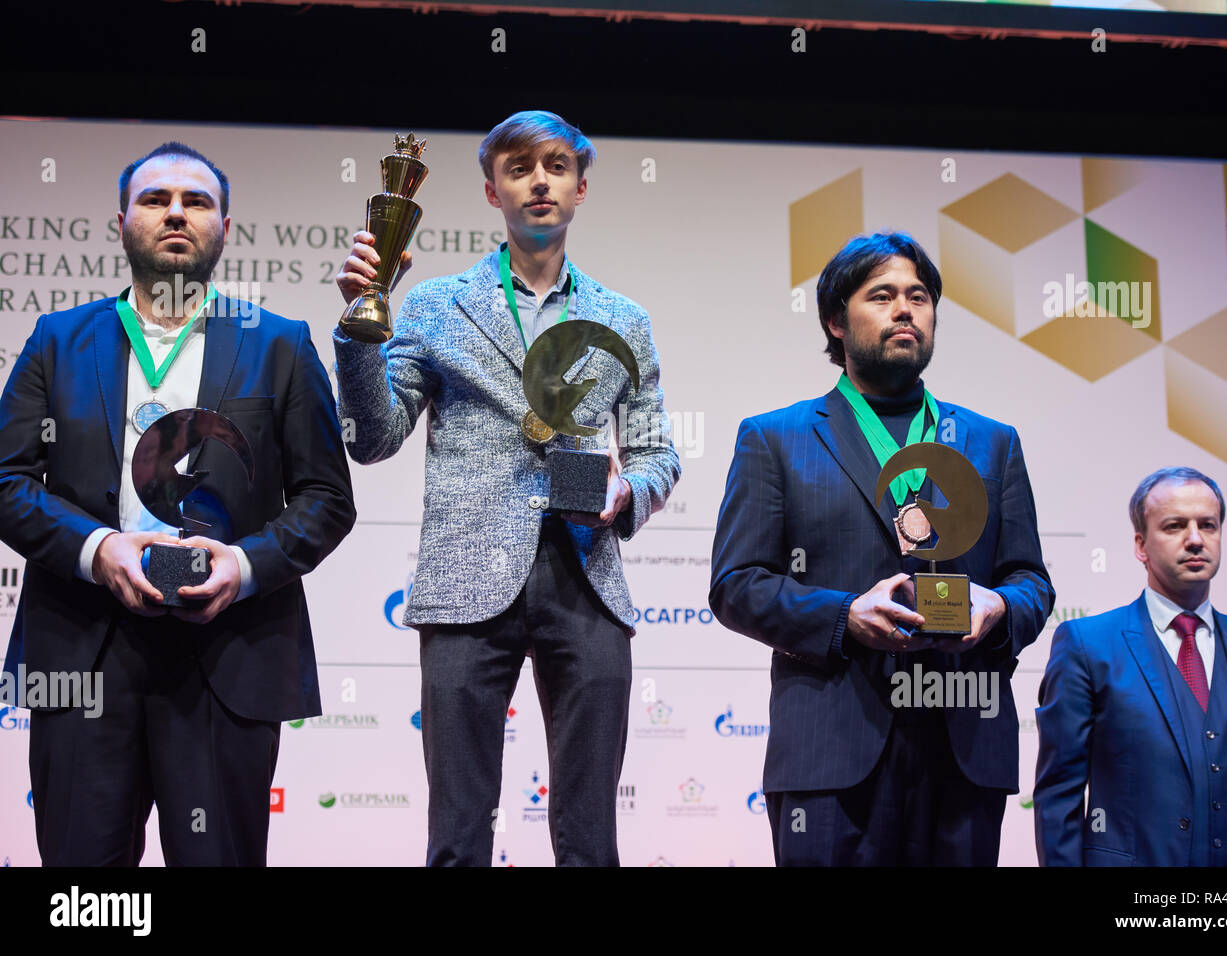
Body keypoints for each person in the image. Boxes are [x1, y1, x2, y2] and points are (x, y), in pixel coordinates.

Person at [333, 110, 679, 866]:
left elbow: (657, 454)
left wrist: (628, 495)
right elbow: (373, 439)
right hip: (465, 584)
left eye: (556, 166)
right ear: (493, 192)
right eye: (519, 168)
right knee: (458, 834)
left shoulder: (625, 318)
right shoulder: (431, 304)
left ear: (582, 187)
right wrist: (361, 329)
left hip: (585, 577)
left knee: (591, 838)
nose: (540, 181)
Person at [0, 142, 356, 865]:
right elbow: (6, 480)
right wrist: (99, 550)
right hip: (84, 652)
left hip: (228, 651)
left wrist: (245, 565)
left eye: (196, 202)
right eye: (156, 198)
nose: (175, 213)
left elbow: (326, 498)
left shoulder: (280, 346)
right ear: (121, 222)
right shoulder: (58, 341)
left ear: (224, 228)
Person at [709, 231, 1054, 866]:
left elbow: (1030, 580)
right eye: (883, 295)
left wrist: (999, 609)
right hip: (831, 751)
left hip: (962, 744)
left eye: (919, 297)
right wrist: (844, 617)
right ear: (836, 321)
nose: (905, 310)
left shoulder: (992, 441)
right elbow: (736, 584)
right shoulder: (775, 439)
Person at [1034, 467, 1227, 866]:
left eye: (1207, 525)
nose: (1195, 539)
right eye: (1175, 526)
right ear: (1140, 545)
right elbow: (1059, 795)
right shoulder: (1087, 646)